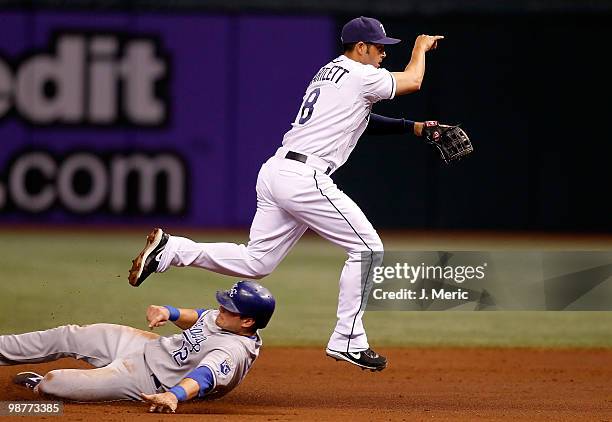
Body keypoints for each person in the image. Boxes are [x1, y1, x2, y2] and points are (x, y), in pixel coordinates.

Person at [128, 16, 443, 372]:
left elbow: (360, 120)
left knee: (257, 262)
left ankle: (173, 249)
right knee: (368, 248)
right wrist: (420, 48)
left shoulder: (330, 73)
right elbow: (414, 81)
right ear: (361, 48)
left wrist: (413, 128)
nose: (384, 54)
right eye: (380, 47)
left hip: (278, 170)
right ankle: (348, 340)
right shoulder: (359, 73)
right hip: (303, 176)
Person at [0, 281, 274, 413]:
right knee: (68, 335)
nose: (221, 308)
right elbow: (203, 316)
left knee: (54, 383)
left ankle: (36, 384)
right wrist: (169, 312)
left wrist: (174, 396)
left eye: (229, 308)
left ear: (247, 321)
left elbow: (204, 377)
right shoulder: (229, 320)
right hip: (147, 344)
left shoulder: (233, 351)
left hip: (146, 380)